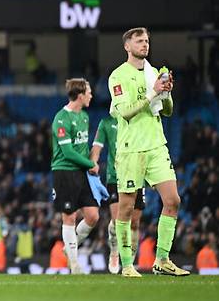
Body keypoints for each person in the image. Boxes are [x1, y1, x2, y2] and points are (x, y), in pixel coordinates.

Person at [108, 27, 190, 277]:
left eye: (146, 41)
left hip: (156, 144)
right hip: (131, 148)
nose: (145, 44)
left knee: (173, 200)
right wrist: (153, 91)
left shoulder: (153, 72)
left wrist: (166, 93)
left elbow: (167, 111)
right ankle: (126, 265)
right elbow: (125, 112)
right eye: (139, 41)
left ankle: (162, 260)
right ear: (127, 46)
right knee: (126, 208)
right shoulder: (118, 75)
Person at [50, 78, 99, 274]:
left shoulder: (84, 117)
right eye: (89, 92)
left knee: (93, 216)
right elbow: (68, 152)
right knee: (69, 217)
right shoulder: (61, 118)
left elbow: (83, 148)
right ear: (80, 95)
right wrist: (91, 164)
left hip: (81, 172)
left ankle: (70, 246)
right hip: (64, 171)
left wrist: (90, 165)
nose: (91, 95)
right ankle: (74, 263)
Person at [90, 114, 146, 274]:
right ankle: (114, 252)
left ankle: (130, 262)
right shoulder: (106, 123)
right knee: (117, 220)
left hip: (137, 175)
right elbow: (96, 147)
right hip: (115, 176)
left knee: (134, 222)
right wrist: (93, 161)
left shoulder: (139, 120)